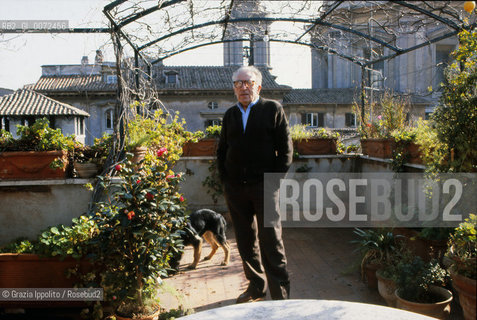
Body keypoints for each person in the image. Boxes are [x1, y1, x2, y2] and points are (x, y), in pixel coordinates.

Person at [217, 65, 293, 303]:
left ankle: (280, 295)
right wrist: (226, 180)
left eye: (247, 82)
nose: (243, 87)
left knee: (272, 240)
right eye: (238, 84)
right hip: (236, 189)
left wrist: (273, 181)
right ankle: (256, 287)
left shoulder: (272, 109)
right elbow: (222, 150)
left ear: (258, 86)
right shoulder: (230, 114)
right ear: (234, 89)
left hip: (264, 187)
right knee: (244, 240)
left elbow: (286, 150)